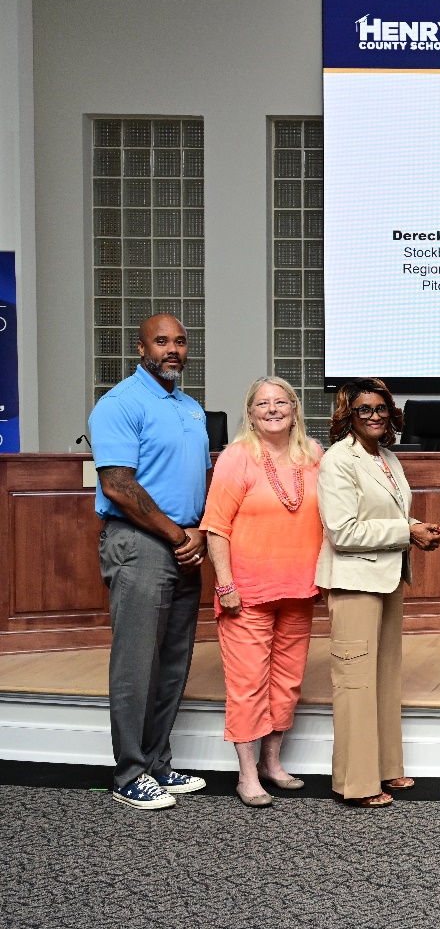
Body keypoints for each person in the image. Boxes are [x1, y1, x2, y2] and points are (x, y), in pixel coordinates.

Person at [90, 313, 211, 809]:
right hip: (141, 544)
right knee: (137, 663)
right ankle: (129, 774)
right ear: (141, 349)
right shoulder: (120, 403)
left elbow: (199, 481)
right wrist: (177, 535)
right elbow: (117, 485)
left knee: (172, 661)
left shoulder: (190, 407)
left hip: (185, 544)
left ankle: (157, 761)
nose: (173, 350)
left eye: (180, 342)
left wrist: (198, 532)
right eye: (162, 341)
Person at [316, 378, 440, 808]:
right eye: (364, 410)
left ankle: (387, 768)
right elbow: (342, 530)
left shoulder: (387, 456)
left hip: (387, 579)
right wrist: (408, 531)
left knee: (385, 678)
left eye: (381, 409)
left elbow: (386, 516)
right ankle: (356, 783)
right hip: (354, 582)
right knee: (354, 682)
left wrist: (416, 530)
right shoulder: (338, 459)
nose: (374, 416)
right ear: (348, 415)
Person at [200, 376, 323, 807]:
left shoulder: (314, 455)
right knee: (249, 684)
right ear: (250, 414)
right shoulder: (237, 458)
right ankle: (247, 774)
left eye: (280, 402)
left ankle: (272, 763)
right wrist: (225, 584)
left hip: (299, 590)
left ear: (294, 408)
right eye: (262, 403)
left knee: (286, 683)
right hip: (246, 593)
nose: (272, 409)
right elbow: (216, 527)